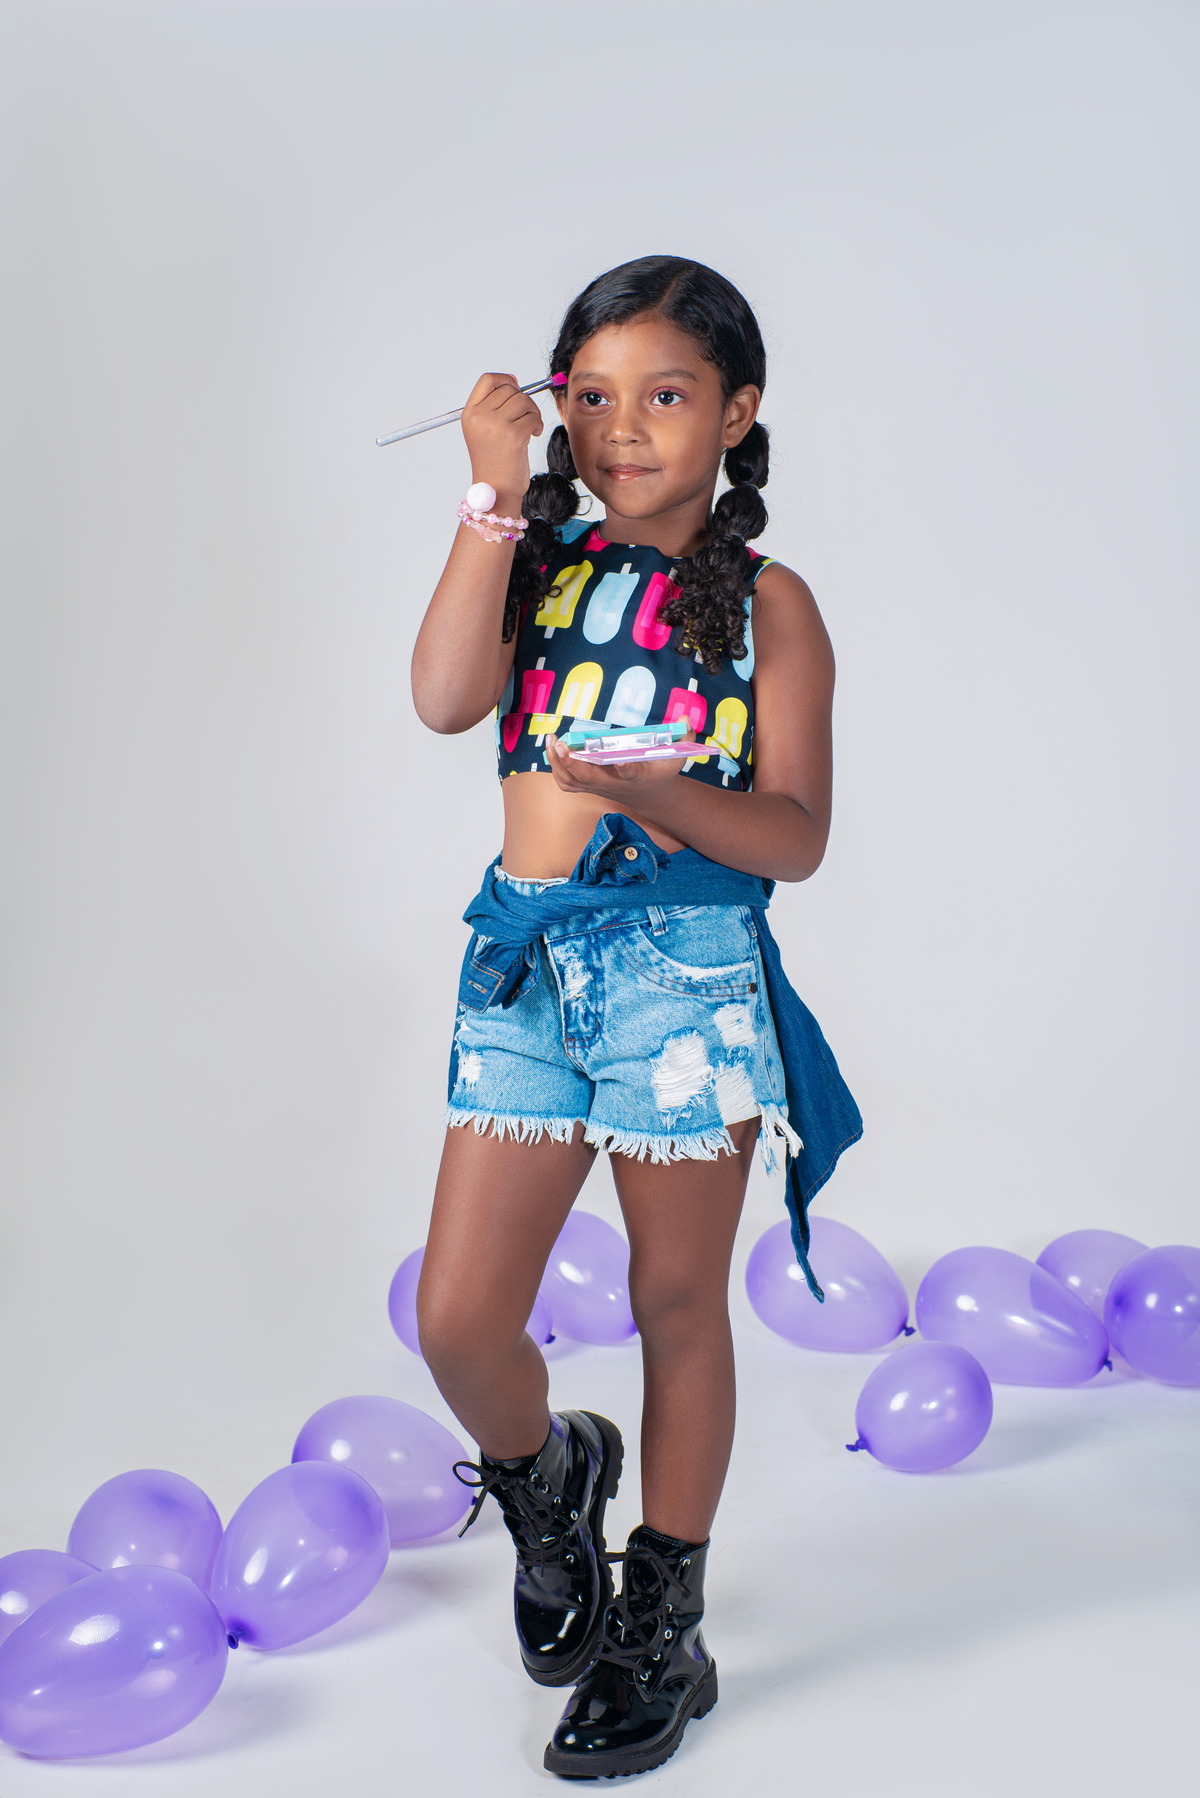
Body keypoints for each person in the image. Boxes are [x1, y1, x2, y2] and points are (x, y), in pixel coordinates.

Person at [410, 256, 861, 1778]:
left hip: (683, 975)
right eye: (592, 397)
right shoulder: (535, 563)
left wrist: (663, 793)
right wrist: (490, 497)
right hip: (525, 966)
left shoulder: (771, 603)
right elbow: (443, 698)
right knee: (460, 1316)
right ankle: (550, 1483)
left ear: (736, 411)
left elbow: (794, 837)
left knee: (677, 1300)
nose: (622, 428)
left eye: (665, 395)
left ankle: (666, 1615)